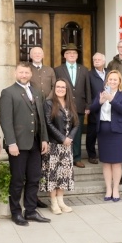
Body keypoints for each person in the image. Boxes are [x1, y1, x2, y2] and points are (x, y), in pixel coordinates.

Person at [0, 62, 51, 226]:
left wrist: (44, 139)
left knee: (34, 178)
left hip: (35, 143)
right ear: (16, 73)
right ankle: (16, 212)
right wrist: (11, 142)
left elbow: (41, 118)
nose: (24, 75)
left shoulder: (36, 92)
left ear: (31, 74)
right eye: (21, 72)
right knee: (18, 180)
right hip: (18, 145)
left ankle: (30, 211)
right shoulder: (8, 93)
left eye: (26, 72)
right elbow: (5, 120)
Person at [40, 79, 79, 214]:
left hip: (67, 146)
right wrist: (62, 138)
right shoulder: (49, 103)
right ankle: (54, 203)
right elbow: (48, 123)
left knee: (63, 174)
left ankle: (61, 200)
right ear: (54, 88)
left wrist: (70, 138)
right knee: (53, 174)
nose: (61, 89)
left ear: (67, 89)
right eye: (58, 87)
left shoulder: (70, 103)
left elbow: (76, 123)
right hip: (54, 145)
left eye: (63, 87)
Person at [90, 70, 122, 201]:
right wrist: (100, 101)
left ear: (119, 81)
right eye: (110, 79)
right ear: (107, 81)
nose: (112, 81)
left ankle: (116, 189)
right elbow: (92, 109)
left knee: (116, 163)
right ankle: (108, 189)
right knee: (106, 163)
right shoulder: (101, 93)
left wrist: (111, 99)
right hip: (103, 131)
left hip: (118, 132)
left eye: (115, 80)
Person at [54, 43, 91, 168]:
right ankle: (64, 157)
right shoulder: (58, 70)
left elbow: (88, 89)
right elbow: (56, 88)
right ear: (65, 55)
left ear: (77, 55)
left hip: (80, 106)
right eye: (69, 53)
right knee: (63, 131)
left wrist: (88, 105)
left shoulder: (84, 69)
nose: (72, 55)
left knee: (78, 132)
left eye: (74, 53)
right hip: (64, 105)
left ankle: (77, 157)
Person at [29, 46, 55, 208]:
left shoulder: (49, 70)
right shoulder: (27, 69)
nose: (37, 55)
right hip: (32, 110)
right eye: (35, 53)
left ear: (43, 55)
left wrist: (48, 102)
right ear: (31, 55)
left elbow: (55, 87)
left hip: (48, 108)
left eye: (40, 53)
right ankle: (34, 197)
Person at [87, 52, 108, 164]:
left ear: (104, 61)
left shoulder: (109, 72)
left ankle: (104, 153)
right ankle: (91, 155)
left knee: (104, 131)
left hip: (108, 106)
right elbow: (87, 90)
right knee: (92, 132)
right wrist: (89, 106)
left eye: (99, 59)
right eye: (94, 59)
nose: (96, 61)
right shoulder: (89, 74)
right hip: (94, 105)